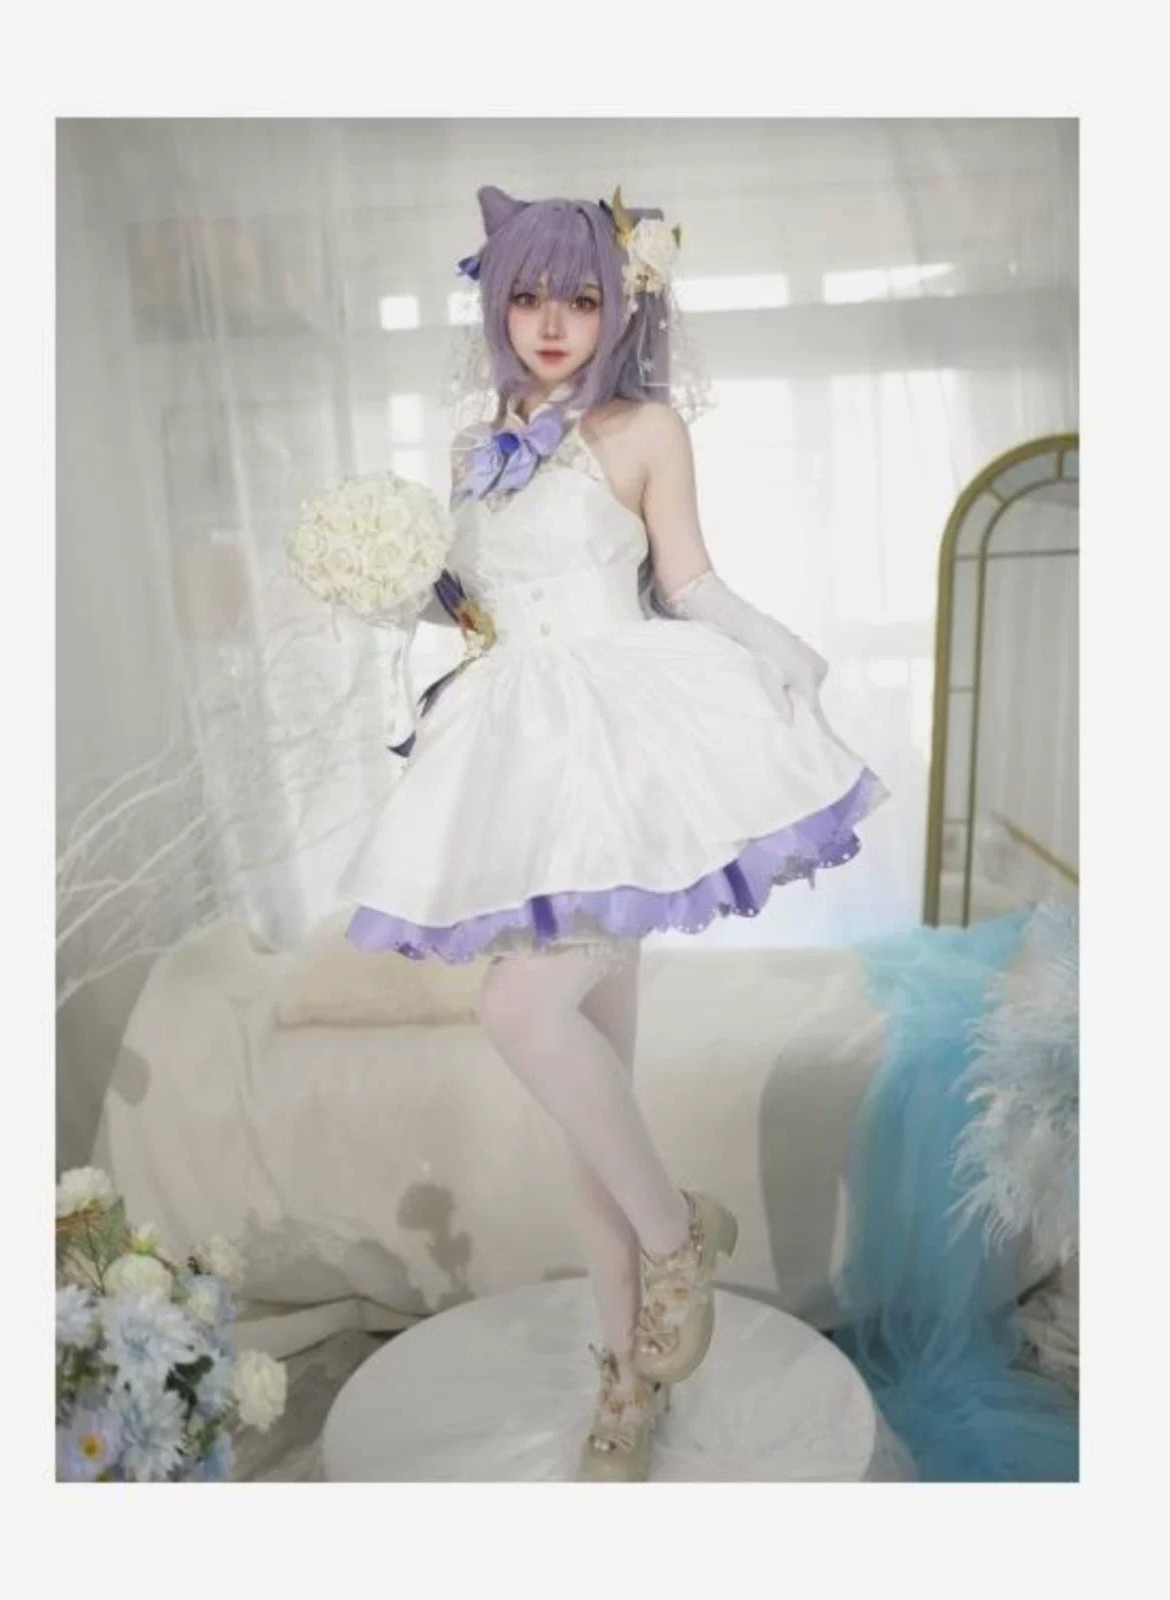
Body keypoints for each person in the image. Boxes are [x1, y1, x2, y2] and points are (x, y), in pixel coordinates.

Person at [337, 184, 891, 1480]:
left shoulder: (645, 429)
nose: (551, 322)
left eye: (580, 298)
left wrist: (780, 650)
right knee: (596, 1104)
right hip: (516, 754)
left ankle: (677, 1234)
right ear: (495, 303)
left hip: (618, 752)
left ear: (620, 307)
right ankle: (625, 1382)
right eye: (528, 296)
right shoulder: (475, 443)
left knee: (519, 1013)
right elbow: (477, 608)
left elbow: (686, 580)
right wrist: (385, 587)